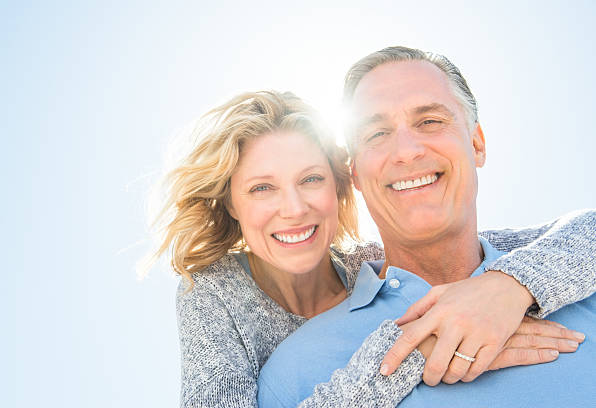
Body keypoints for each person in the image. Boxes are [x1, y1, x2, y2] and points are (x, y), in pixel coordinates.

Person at [144, 90, 593, 408]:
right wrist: (411, 351)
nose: (294, 208)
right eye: (262, 188)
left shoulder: (370, 265)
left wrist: (509, 285)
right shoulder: (213, 292)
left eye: (311, 179)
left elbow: (565, 239)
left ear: (342, 186)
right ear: (231, 204)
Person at [256, 46, 596, 407]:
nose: (406, 151)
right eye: (376, 134)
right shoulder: (294, 373)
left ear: (477, 144)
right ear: (354, 173)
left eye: (430, 121)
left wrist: (511, 283)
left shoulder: (582, 289)